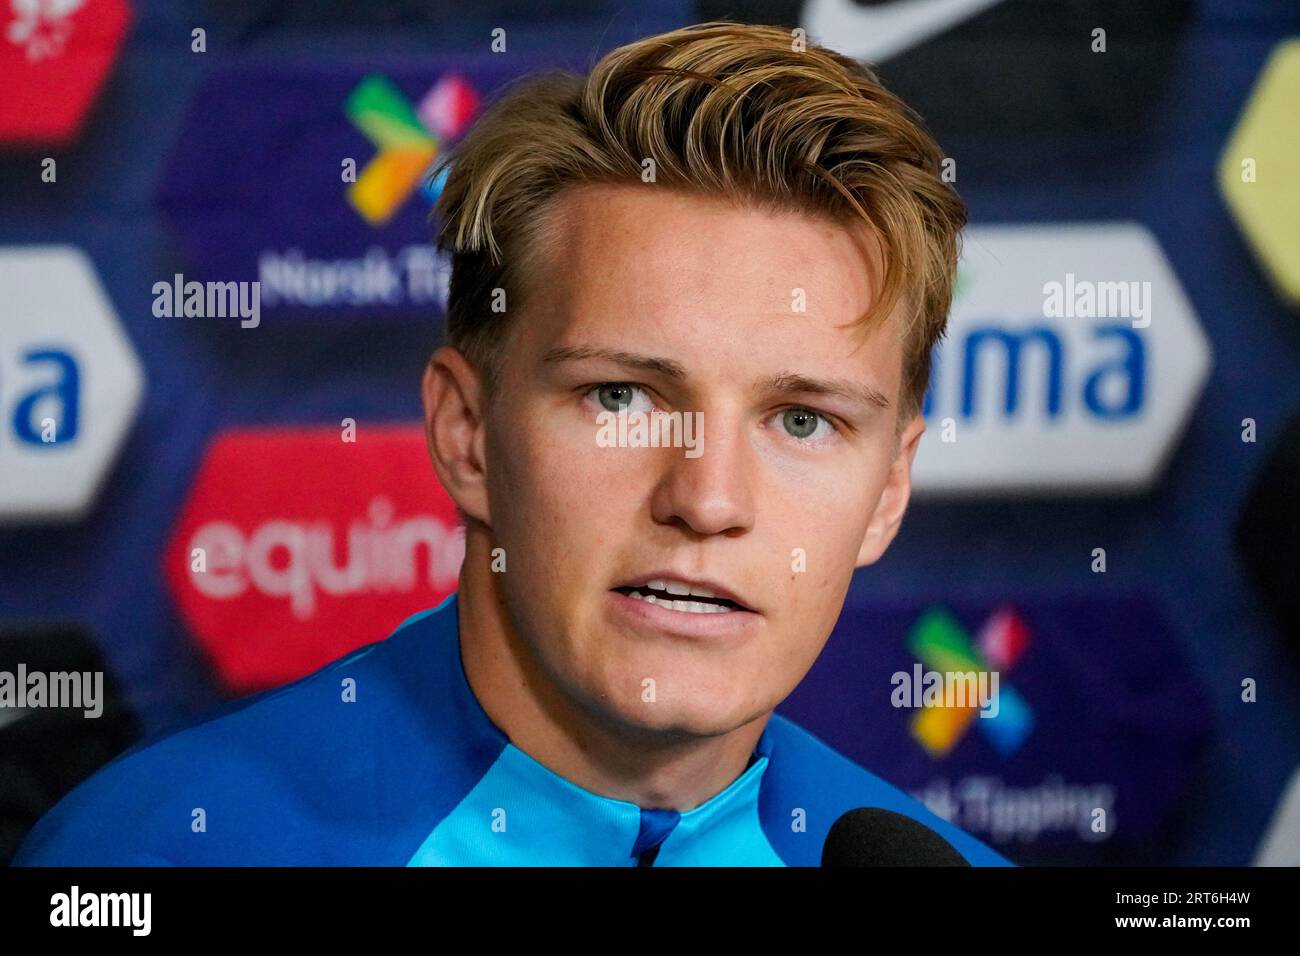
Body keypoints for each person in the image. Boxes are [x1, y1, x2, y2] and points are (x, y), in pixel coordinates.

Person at [15, 21, 1010, 866]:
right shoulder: (151, 853)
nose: (708, 499)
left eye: (802, 420)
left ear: (887, 489)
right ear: (466, 433)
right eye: (622, 394)